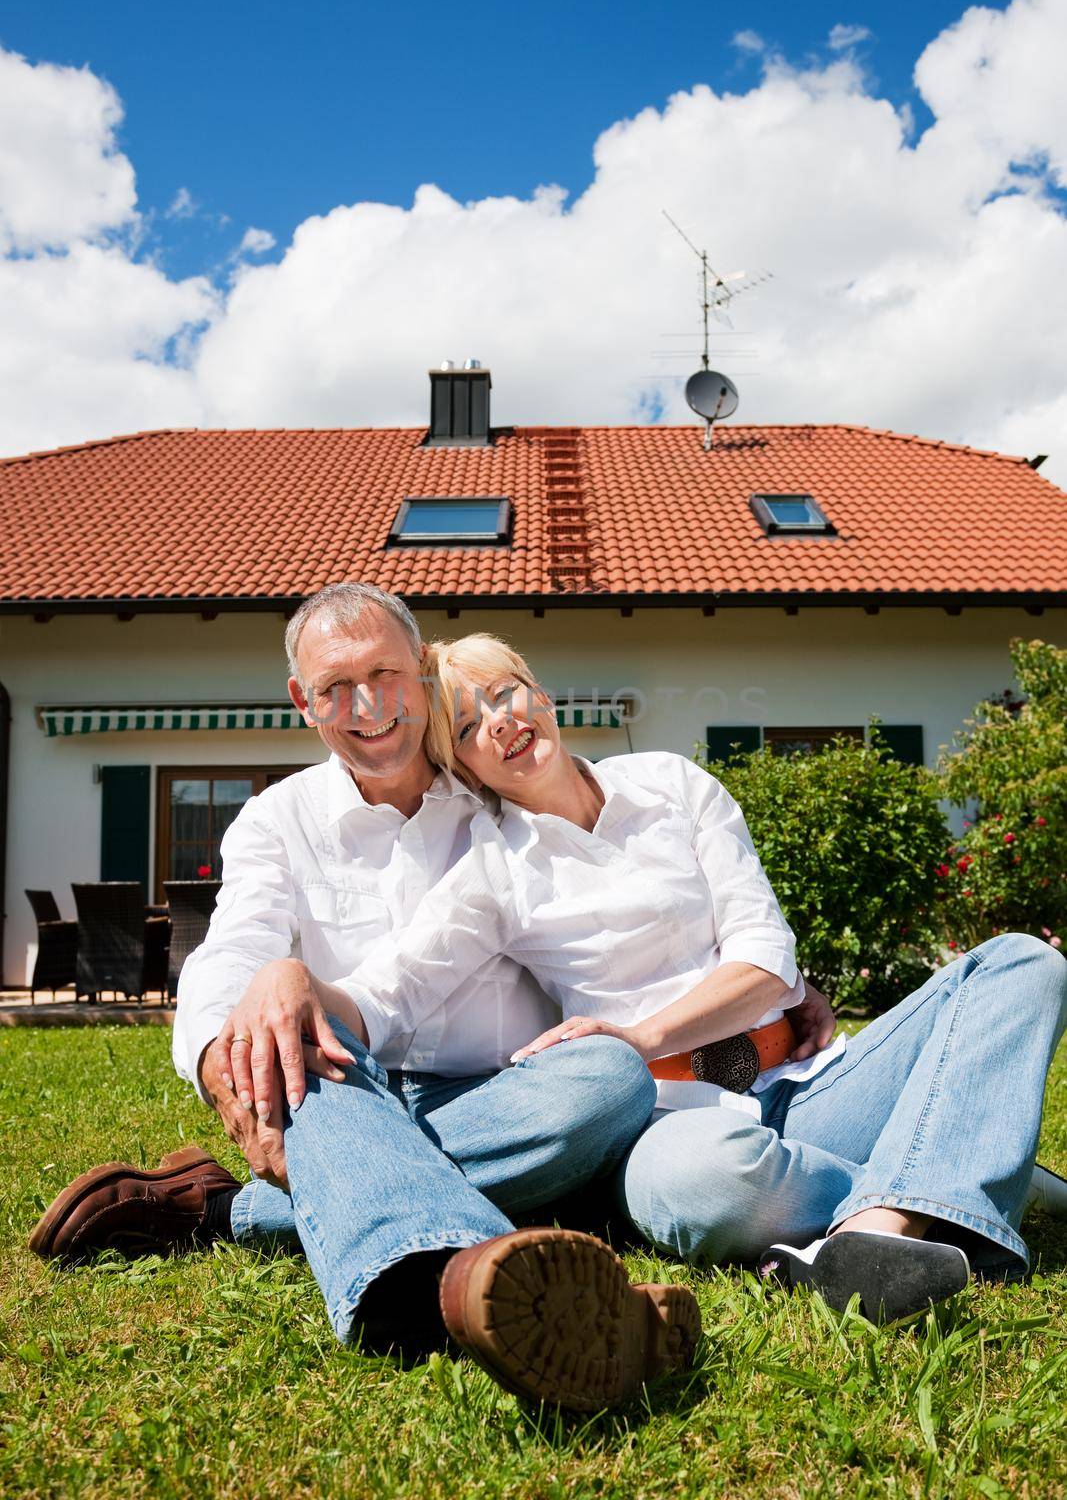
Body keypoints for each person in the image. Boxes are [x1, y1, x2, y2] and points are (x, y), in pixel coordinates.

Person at [223, 631, 1067, 1324]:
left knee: (1024, 962)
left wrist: (640, 1035)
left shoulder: (673, 784)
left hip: (804, 1079)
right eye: (470, 726)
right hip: (677, 1119)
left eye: (505, 693)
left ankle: (881, 1226)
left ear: (539, 691)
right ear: (463, 767)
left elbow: (767, 961)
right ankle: (961, 1167)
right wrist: (293, 981)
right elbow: (387, 993)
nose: (501, 724)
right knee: (703, 1187)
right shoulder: (492, 870)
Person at [29, 583, 702, 1412]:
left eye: (384, 674)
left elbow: (634, 894)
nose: (367, 705)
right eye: (334, 687)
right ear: (300, 701)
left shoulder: (499, 790)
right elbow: (231, 950)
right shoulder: (278, 820)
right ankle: (469, 1288)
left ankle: (238, 1210)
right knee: (295, 1045)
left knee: (607, 1077)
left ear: (422, 671)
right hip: (348, 1088)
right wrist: (220, 1057)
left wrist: (770, 988)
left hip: (510, 1094)